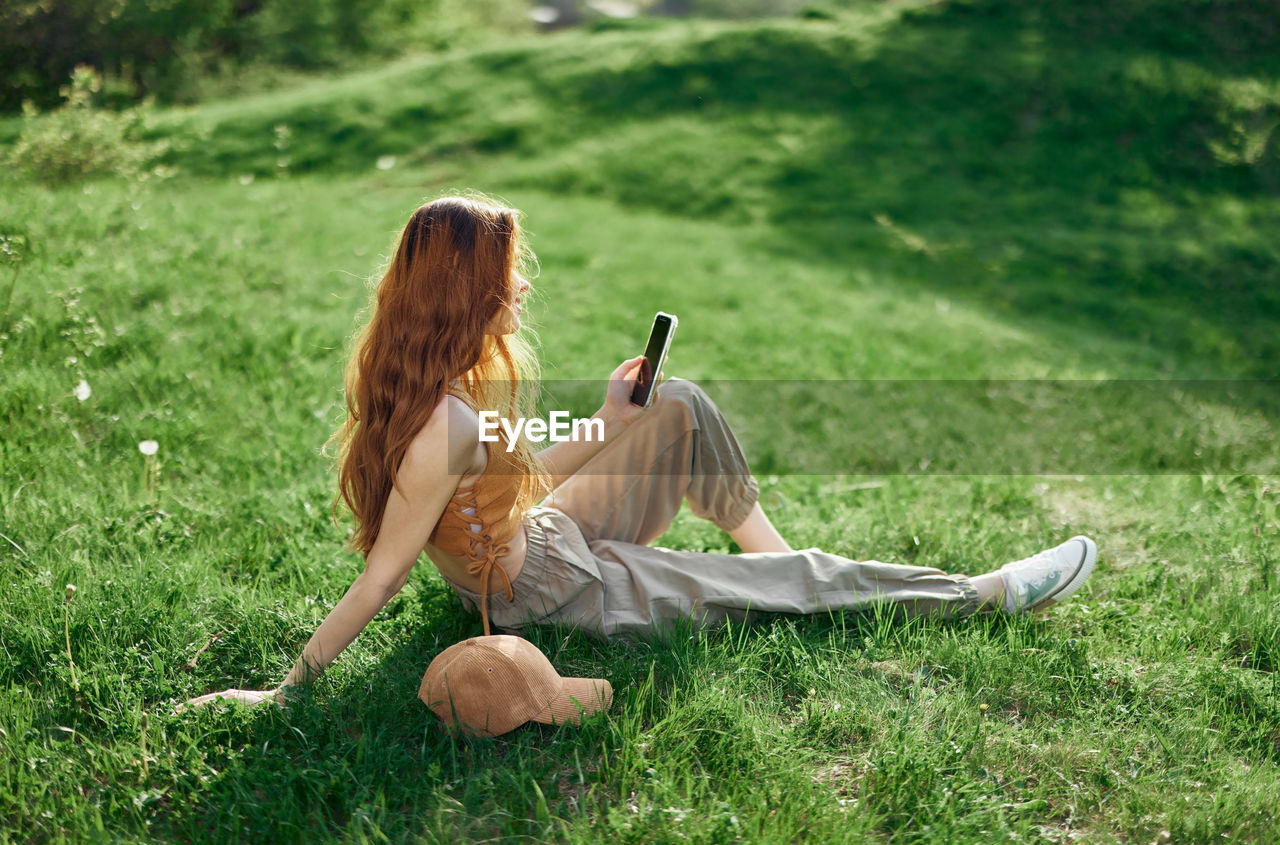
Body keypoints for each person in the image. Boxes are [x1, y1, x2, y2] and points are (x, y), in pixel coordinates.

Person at [177, 194, 1097, 713]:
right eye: (507, 275)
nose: (522, 284)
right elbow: (381, 577)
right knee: (788, 574)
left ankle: (774, 573)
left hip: (536, 537)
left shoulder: (441, 390)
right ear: (467, 292)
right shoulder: (442, 427)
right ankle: (976, 595)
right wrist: (285, 691)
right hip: (546, 590)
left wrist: (617, 421)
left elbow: (516, 476)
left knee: (674, 403)